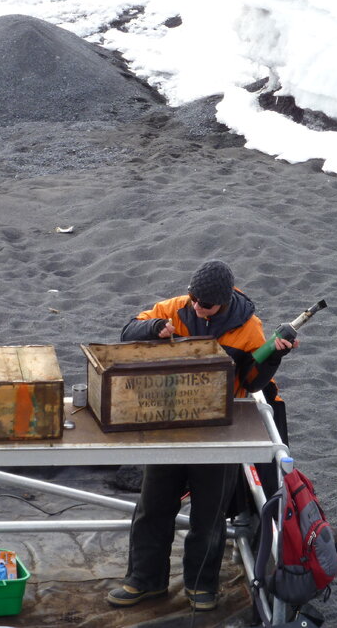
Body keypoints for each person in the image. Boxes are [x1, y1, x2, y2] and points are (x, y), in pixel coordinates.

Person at [107, 260, 295, 613]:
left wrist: (274, 359)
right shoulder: (173, 309)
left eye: (204, 304)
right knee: (153, 506)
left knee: (209, 514)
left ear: (223, 302)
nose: (196, 307)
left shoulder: (250, 329)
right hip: (170, 421)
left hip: (220, 428)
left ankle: (201, 585)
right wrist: (153, 329)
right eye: (193, 299)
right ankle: (144, 580)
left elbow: (253, 381)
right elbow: (127, 331)